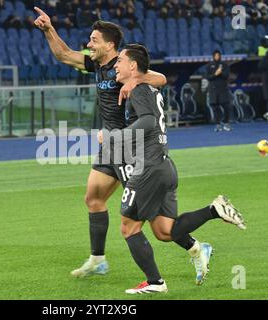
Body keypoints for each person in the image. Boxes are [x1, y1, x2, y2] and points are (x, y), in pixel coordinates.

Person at [33, 8, 167, 278]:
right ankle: (98, 260)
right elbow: (63, 54)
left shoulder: (124, 64)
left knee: (156, 221)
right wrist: (48, 29)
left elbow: (161, 78)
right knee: (93, 198)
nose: (88, 44)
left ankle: (194, 246)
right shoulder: (97, 64)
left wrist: (136, 79)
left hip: (130, 147)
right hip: (110, 145)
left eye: (93, 40)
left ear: (109, 45)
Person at [105, 44, 246, 293]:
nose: (116, 64)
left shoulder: (138, 89)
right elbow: (158, 84)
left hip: (147, 169)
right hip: (163, 166)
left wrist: (115, 137)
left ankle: (155, 283)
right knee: (164, 231)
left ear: (133, 66)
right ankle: (214, 209)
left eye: (120, 61)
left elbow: (148, 121)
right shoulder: (149, 87)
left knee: (128, 227)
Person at [205, 50, 233, 132]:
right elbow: (208, 77)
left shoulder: (224, 65)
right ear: (213, 56)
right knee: (215, 107)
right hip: (213, 90)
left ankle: (226, 123)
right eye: (215, 55)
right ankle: (218, 124)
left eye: (218, 55)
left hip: (223, 89)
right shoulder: (209, 66)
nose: (217, 57)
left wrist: (220, 73)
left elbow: (226, 76)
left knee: (226, 107)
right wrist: (215, 74)